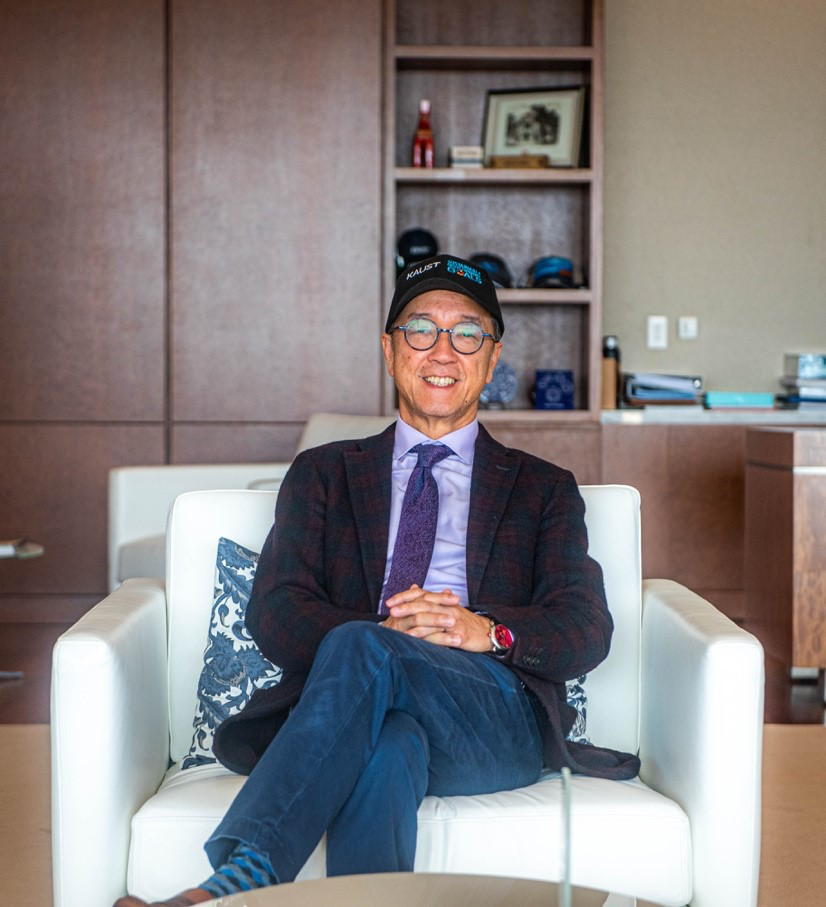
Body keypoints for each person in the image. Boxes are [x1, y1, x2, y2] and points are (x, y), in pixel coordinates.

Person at [116, 253, 639, 907]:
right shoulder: (323, 474)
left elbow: (586, 627)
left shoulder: (543, 489)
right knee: (387, 739)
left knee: (371, 651)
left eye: (467, 332)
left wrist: (485, 630)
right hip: (358, 709)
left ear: (492, 357)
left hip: (490, 718)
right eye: (421, 329)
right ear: (390, 351)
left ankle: (241, 880)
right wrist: (386, 636)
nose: (443, 350)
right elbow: (275, 609)